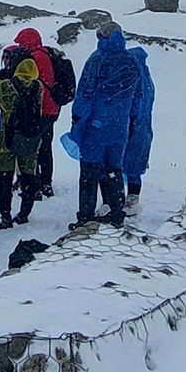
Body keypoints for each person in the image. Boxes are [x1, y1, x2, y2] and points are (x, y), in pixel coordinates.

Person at [68, 26, 143, 227]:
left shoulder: (97, 59)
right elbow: (138, 96)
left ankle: (85, 217)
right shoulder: (131, 61)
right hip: (120, 127)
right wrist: (132, 121)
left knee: (89, 172)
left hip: (96, 127)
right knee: (114, 169)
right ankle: (117, 213)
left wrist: (77, 119)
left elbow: (84, 93)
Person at [13, 28, 71, 203]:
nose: (20, 46)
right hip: (52, 109)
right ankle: (46, 183)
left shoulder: (36, 58)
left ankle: (35, 185)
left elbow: (35, 84)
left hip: (41, 110)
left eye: (21, 42)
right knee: (45, 147)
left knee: (34, 148)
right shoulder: (47, 54)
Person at [0, 47, 44, 227]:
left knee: (5, 180)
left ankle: (5, 216)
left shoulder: (6, 85)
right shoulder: (38, 87)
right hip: (31, 137)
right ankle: (24, 213)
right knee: (28, 175)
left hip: (7, 138)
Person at [122, 45, 156, 211]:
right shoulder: (148, 80)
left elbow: (133, 106)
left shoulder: (132, 79)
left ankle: (123, 200)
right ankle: (133, 198)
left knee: (121, 163)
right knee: (135, 165)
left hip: (131, 126)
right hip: (144, 129)